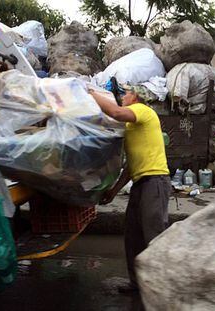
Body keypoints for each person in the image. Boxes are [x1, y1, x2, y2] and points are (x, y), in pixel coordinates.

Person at [88, 86, 171, 293]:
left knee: (154, 237)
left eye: (126, 93)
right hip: (140, 184)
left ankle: (162, 289)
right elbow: (130, 167)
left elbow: (115, 112)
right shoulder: (130, 126)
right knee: (133, 237)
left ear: (135, 96)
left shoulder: (143, 110)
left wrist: (89, 94)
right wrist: (114, 191)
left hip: (155, 182)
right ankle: (137, 284)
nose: (123, 96)